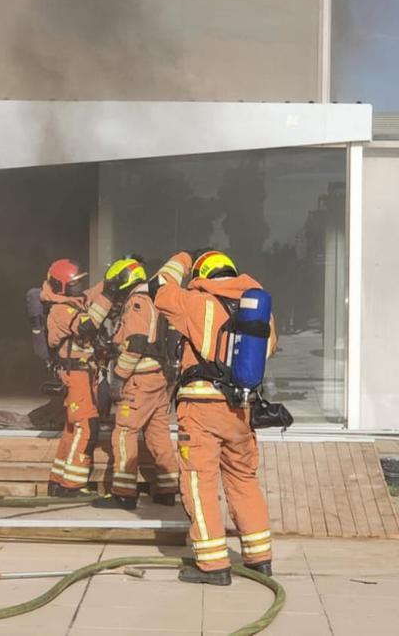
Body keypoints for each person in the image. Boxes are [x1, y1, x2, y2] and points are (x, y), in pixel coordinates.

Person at [148, 250, 275, 586]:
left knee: (198, 482)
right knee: (243, 481)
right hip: (241, 410)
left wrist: (180, 259)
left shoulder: (195, 302)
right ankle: (259, 558)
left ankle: (213, 565)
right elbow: (269, 349)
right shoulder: (258, 309)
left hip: (201, 408)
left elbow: (157, 287)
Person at [93, 256, 179, 510]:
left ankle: (123, 493)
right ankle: (167, 489)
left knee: (124, 433)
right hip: (158, 379)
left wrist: (118, 378)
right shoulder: (155, 298)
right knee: (158, 433)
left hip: (140, 380)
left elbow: (136, 345)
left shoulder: (137, 302)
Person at [40, 258, 111, 496]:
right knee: (87, 426)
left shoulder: (71, 301)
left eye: (82, 282)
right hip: (76, 374)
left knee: (73, 428)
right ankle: (72, 485)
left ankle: (57, 480)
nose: (80, 288)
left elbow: (90, 295)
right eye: (75, 284)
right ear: (61, 286)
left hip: (83, 373)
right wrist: (109, 296)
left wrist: (111, 280)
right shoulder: (61, 310)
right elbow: (87, 326)